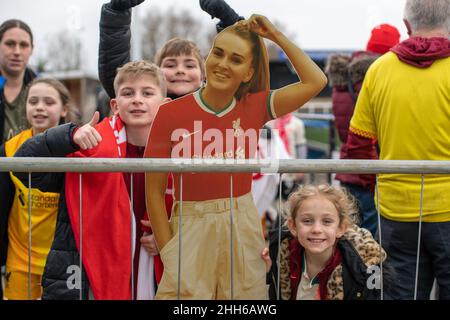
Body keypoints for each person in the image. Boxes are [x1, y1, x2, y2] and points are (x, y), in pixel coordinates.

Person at [145, 14, 327, 300]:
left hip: (242, 220)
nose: (222, 64)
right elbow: (153, 191)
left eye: (236, 59)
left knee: (246, 300)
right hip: (189, 222)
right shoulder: (169, 114)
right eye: (218, 53)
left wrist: (276, 36)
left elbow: (316, 81)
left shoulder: (255, 106)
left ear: (248, 73)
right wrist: (168, 249)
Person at [13, 60, 169, 300]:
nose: (137, 99)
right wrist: (68, 136)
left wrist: (169, 240)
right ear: (115, 105)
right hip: (89, 273)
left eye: (147, 93)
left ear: (165, 104)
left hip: (157, 270)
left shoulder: (181, 149)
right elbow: (22, 166)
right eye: (128, 93)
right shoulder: (89, 144)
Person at [346, 0, 450, 299]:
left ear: (406, 25)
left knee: (399, 292)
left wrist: (374, 183)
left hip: (396, 209)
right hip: (447, 208)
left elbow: (359, 144)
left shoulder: (379, 70)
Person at [0, 78, 74, 299]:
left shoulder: (76, 149)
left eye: (49, 102)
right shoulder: (9, 149)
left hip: (62, 260)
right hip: (21, 259)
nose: (40, 107)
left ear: (64, 109)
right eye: (33, 101)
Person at [325, 23, 400, 236]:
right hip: (370, 170)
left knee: (350, 230)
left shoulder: (343, 78)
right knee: (371, 234)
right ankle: (370, 270)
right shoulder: (380, 78)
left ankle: (350, 269)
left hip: (348, 167)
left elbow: (344, 129)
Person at [265, 184, 388, 300]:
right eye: (307, 221)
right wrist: (267, 269)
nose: (316, 229)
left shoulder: (360, 271)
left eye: (327, 221)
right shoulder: (281, 256)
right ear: (293, 227)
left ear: (341, 228)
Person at [0, 19, 36, 144]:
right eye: (10, 44)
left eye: (24, 45)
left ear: (32, 49)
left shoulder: (47, 91)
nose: (17, 52)